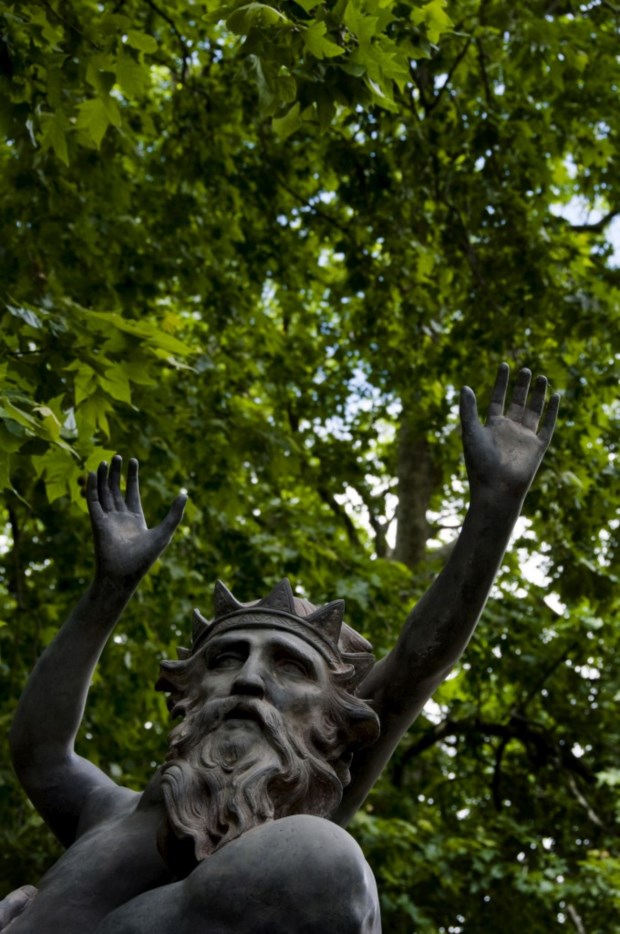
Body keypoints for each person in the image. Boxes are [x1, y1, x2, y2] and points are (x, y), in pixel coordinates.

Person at [2, 365, 558, 933]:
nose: (249, 679)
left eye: (290, 668)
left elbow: (417, 663)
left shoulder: (300, 804)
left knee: (317, 859)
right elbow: (40, 751)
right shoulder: (106, 811)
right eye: (226, 658)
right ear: (187, 693)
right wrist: (109, 590)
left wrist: (494, 508)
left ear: (332, 724)